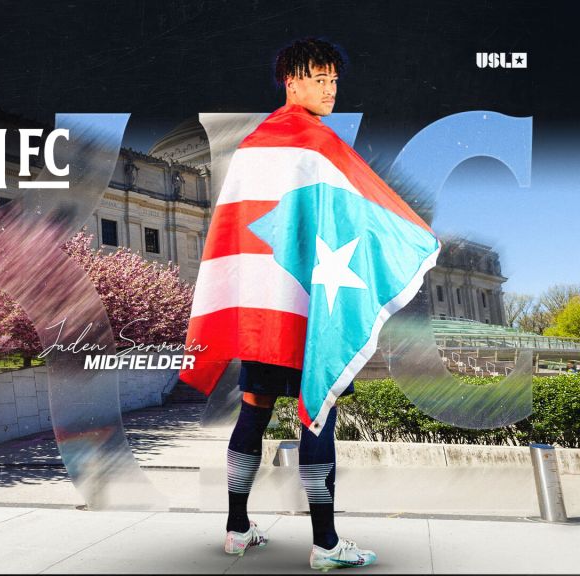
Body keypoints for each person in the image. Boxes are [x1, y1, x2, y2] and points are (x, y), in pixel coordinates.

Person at [220, 38, 377, 571]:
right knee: (319, 413)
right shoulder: (319, 143)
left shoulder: (254, 143)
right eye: (319, 78)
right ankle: (326, 544)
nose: (330, 89)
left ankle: (236, 529)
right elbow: (354, 220)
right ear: (291, 80)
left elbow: (242, 228)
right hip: (310, 306)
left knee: (254, 410)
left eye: (335, 80)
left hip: (266, 304)